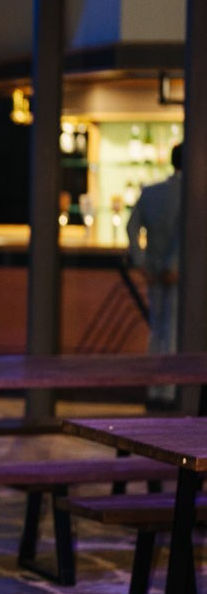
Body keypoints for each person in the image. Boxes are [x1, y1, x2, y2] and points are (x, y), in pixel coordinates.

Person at [126, 141, 183, 407]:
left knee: (157, 330)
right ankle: (169, 393)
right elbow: (185, 233)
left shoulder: (151, 192)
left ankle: (154, 390)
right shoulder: (193, 192)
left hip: (154, 271)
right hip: (180, 275)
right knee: (173, 331)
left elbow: (131, 227)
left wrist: (142, 262)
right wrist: (175, 265)